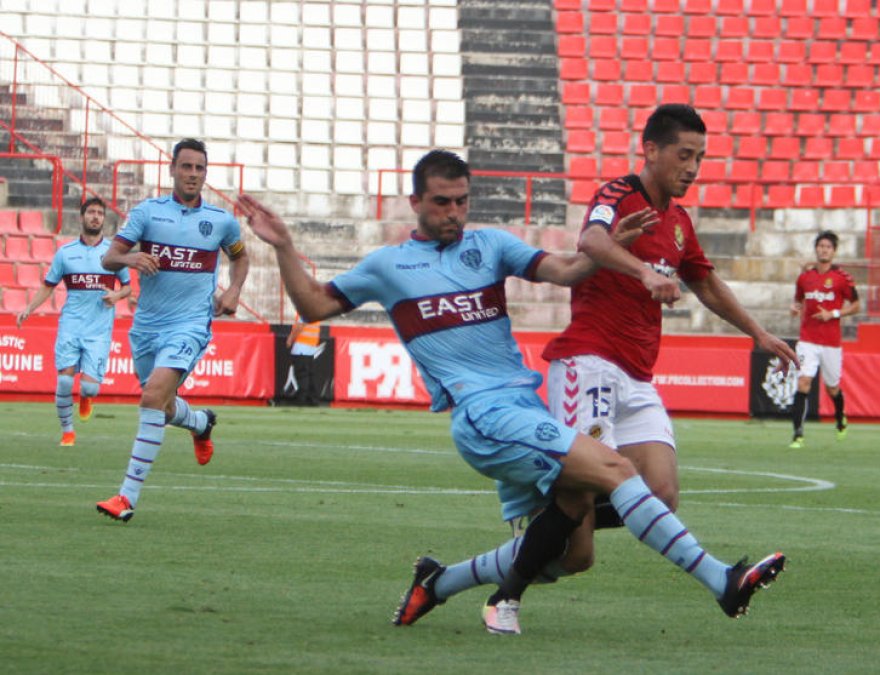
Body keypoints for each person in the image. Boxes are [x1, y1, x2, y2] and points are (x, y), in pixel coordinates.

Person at [238, 149, 785, 635]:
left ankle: (441, 581)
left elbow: (569, 271)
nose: (454, 212)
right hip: (483, 416)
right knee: (619, 471)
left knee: (576, 553)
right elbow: (313, 306)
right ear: (415, 202)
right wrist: (285, 245)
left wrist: (608, 250)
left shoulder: (492, 245)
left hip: (525, 405)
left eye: (462, 201)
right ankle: (721, 580)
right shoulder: (389, 265)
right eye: (442, 202)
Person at [540, 103, 799, 551]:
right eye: (684, 155)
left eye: (699, 157)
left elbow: (706, 282)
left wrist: (758, 333)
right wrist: (644, 272)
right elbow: (591, 240)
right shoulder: (617, 195)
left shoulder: (678, 222)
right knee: (577, 549)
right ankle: (546, 528)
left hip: (638, 375)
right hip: (591, 363)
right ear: (651, 150)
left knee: (662, 494)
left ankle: (549, 520)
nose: (693, 168)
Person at [94, 138, 250, 522]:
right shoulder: (149, 213)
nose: (193, 174)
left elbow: (241, 257)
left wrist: (232, 290)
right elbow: (109, 256)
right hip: (147, 326)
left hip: (191, 325)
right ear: (172, 170)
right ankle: (199, 422)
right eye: (186, 167)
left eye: (199, 168)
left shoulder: (220, 221)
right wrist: (132, 257)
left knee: (151, 398)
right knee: (161, 408)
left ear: (205, 174)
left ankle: (126, 497)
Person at [16, 197, 133, 446]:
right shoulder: (65, 253)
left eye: (100, 213)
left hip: (99, 329)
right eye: (91, 212)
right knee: (65, 380)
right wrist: (29, 308)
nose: (95, 217)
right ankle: (67, 431)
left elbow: (127, 288)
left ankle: (87, 398)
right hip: (71, 324)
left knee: (89, 388)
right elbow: (48, 286)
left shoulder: (113, 253)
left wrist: (117, 294)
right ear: (82, 217)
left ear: (103, 219)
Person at [788, 230, 859, 449]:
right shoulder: (805, 278)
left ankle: (840, 418)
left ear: (834, 251)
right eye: (820, 246)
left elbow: (856, 305)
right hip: (807, 339)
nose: (823, 250)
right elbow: (798, 300)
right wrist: (795, 307)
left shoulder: (842, 279)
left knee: (832, 388)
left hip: (830, 342)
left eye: (827, 247)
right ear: (816, 249)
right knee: (803, 382)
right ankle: (798, 434)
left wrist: (833, 314)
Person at [284, 316, 324, 405]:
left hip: (301, 345)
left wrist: (290, 339)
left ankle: (302, 398)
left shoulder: (304, 309)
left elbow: (300, 326)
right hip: (311, 345)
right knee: (309, 374)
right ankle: (313, 399)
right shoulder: (315, 310)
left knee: (302, 373)